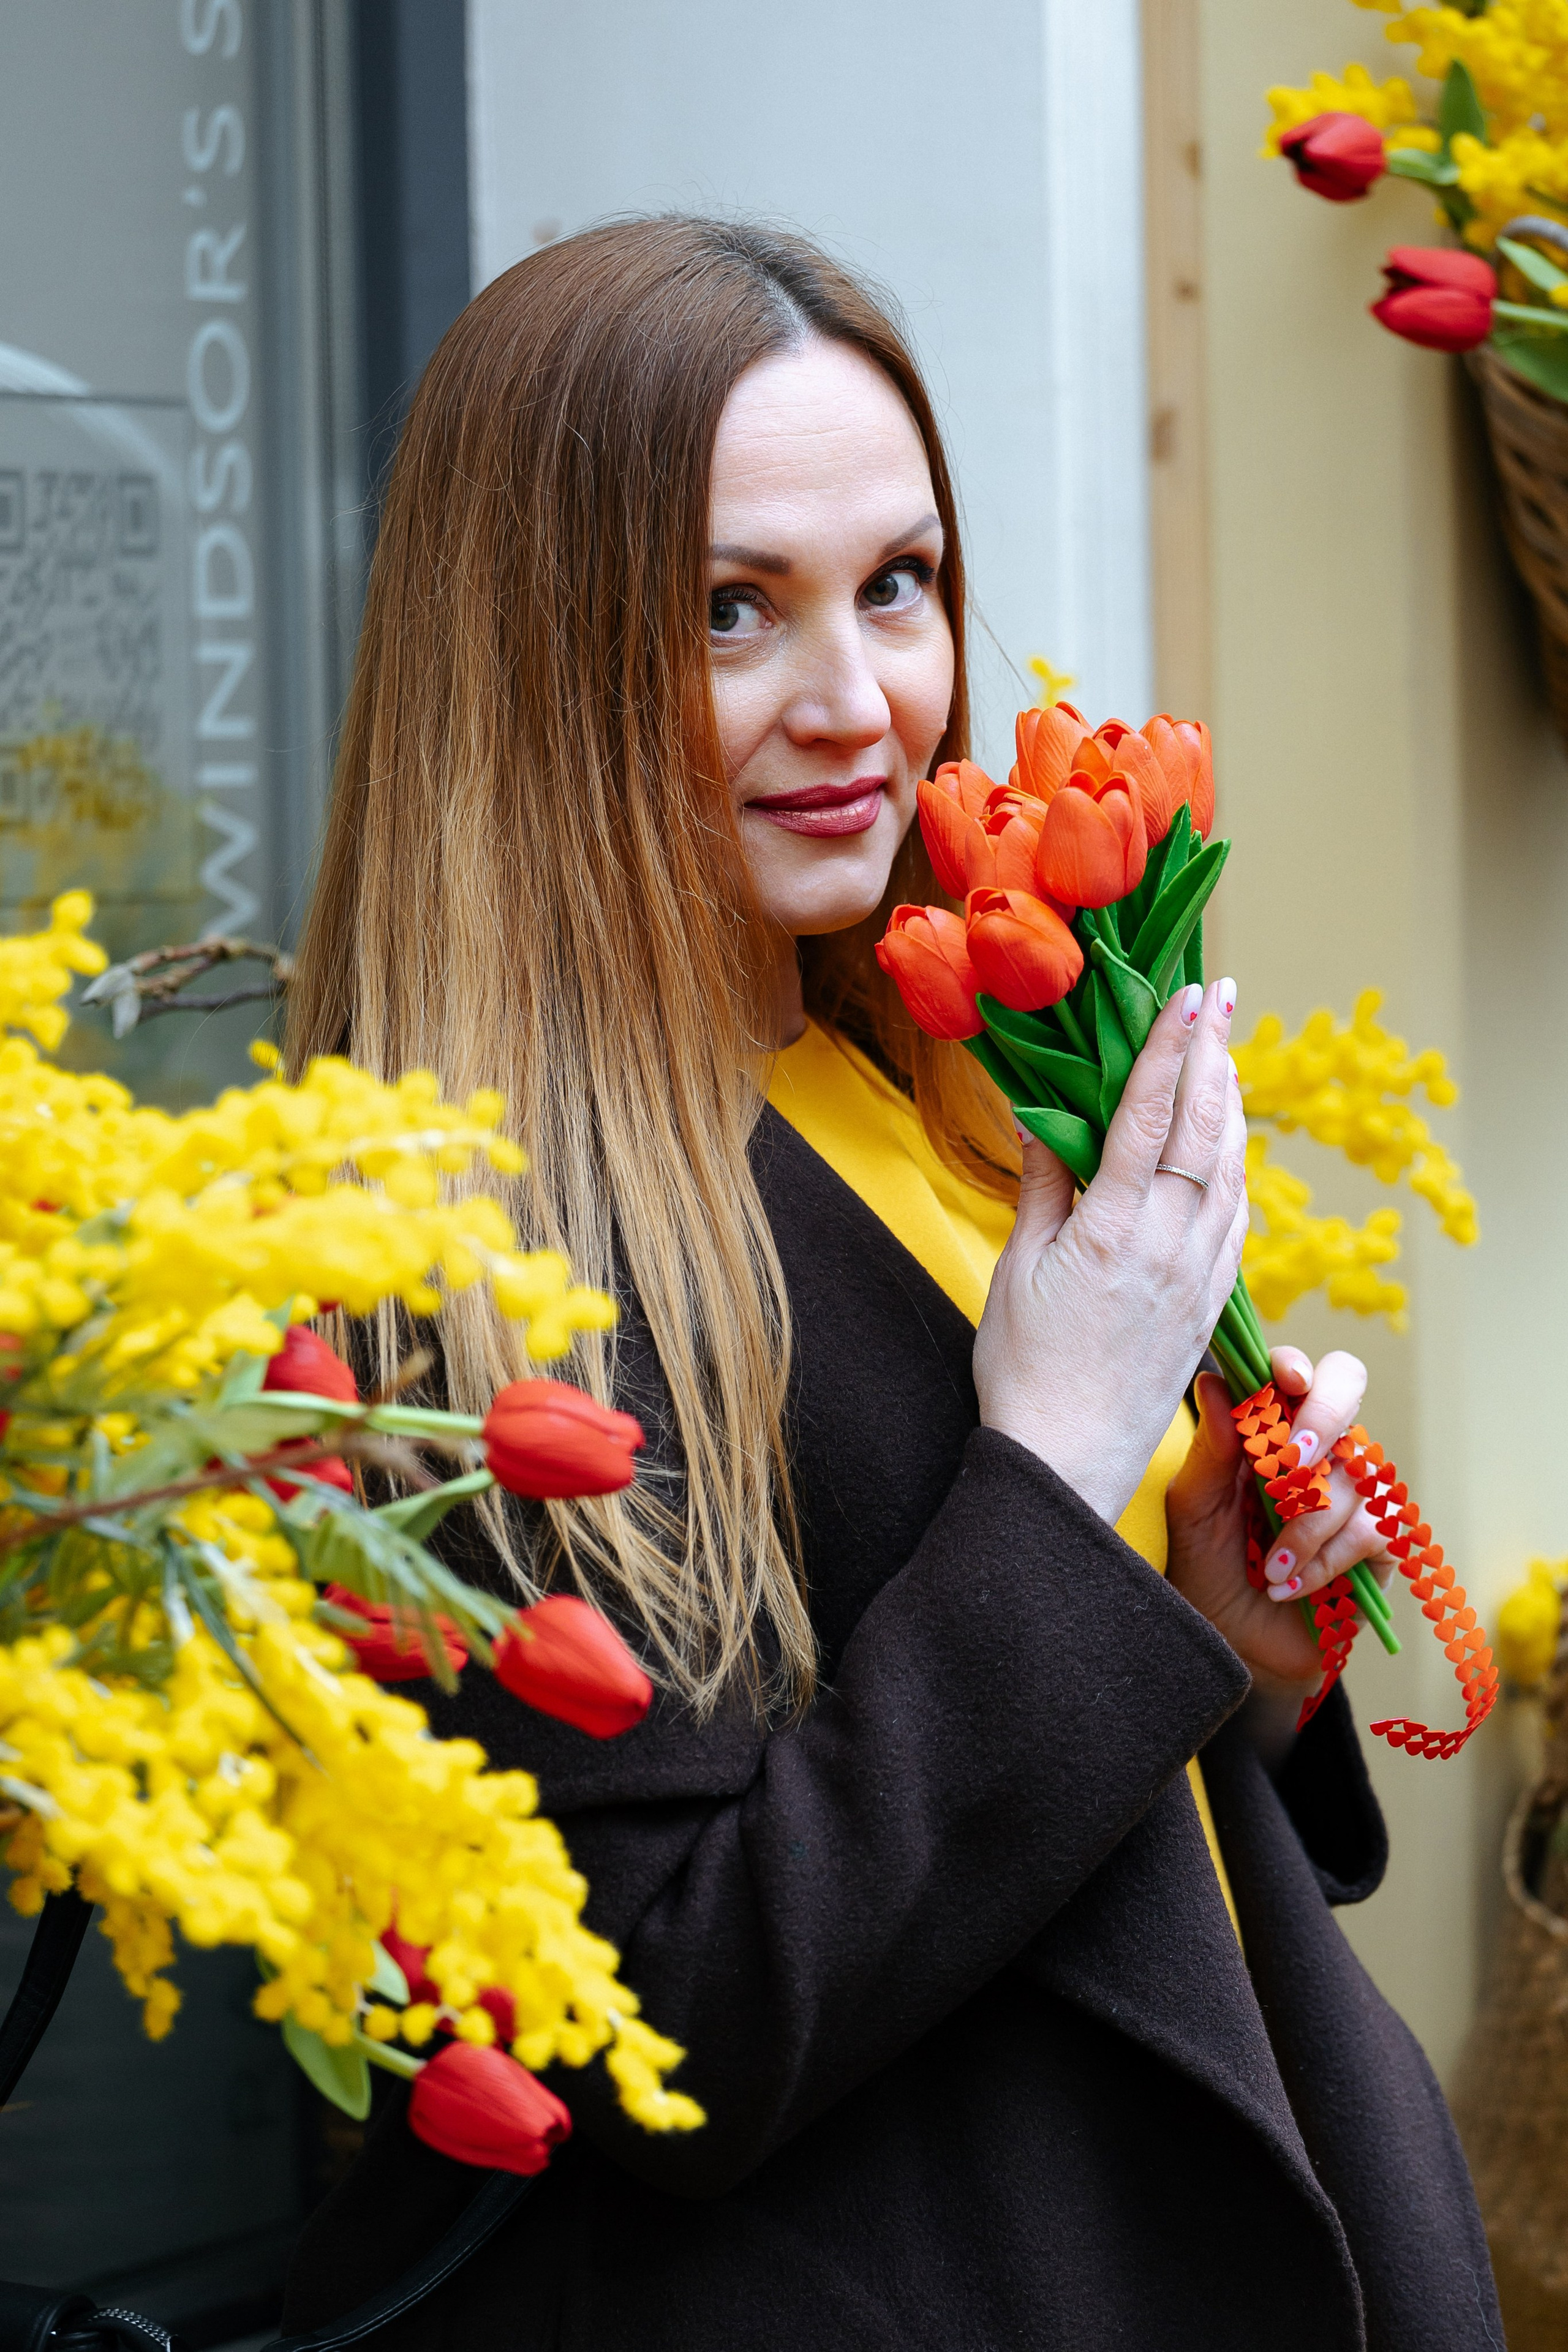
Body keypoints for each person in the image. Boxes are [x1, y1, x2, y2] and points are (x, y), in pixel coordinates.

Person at [282, 216, 1500, 2350]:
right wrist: (1052, 1459)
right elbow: (657, 2030)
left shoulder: (901, 1077)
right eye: (731, 612)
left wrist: (1216, 1642)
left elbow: (1030, 1782)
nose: (857, 702)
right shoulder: (452, 1255)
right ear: (533, 661)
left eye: (899, 585)